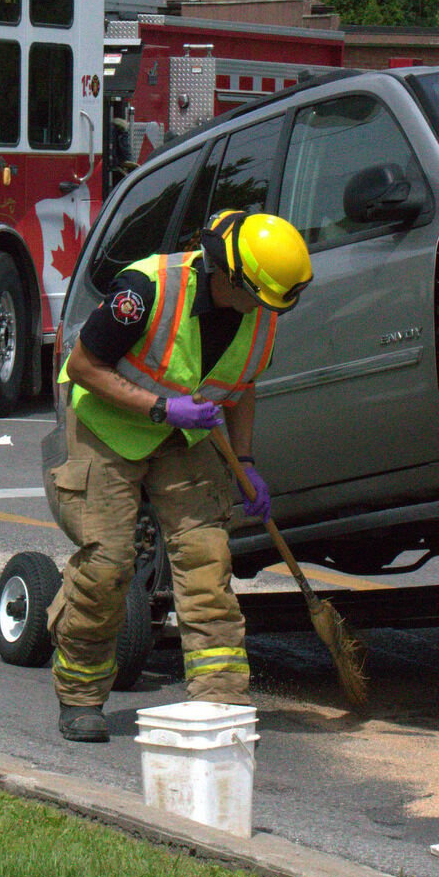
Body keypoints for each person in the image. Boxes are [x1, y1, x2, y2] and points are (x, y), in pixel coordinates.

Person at [45, 209, 313, 742]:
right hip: (107, 424)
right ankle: (80, 694)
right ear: (227, 275)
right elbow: (83, 367)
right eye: (257, 296)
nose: (264, 309)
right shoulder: (144, 291)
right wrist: (162, 410)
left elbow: (243, 384)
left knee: (207, 560)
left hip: (184, 437)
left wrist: (247, 461)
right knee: (108, 564)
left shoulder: (260, 313)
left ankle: (221, 702)